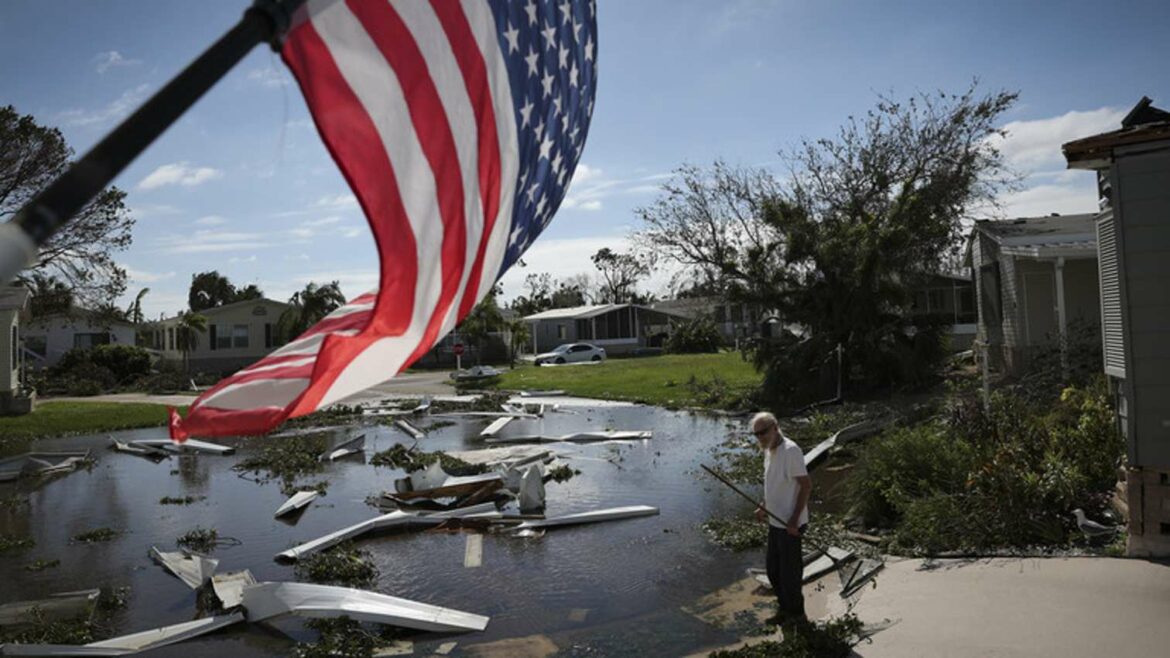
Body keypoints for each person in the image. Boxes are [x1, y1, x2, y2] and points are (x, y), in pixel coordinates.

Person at [751, 411, 811, 626]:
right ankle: (785, 610)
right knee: (773, 571)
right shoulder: (769, 450)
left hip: (790, 524)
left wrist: (794, 519)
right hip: (775, 522)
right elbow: (774, 485)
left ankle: (798, 615)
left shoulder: (791, 451)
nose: (760, 437)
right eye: (756, 434)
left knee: (790, 574)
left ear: (775, 427)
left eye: (763, 432)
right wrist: (763, 506)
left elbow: (806, 485)